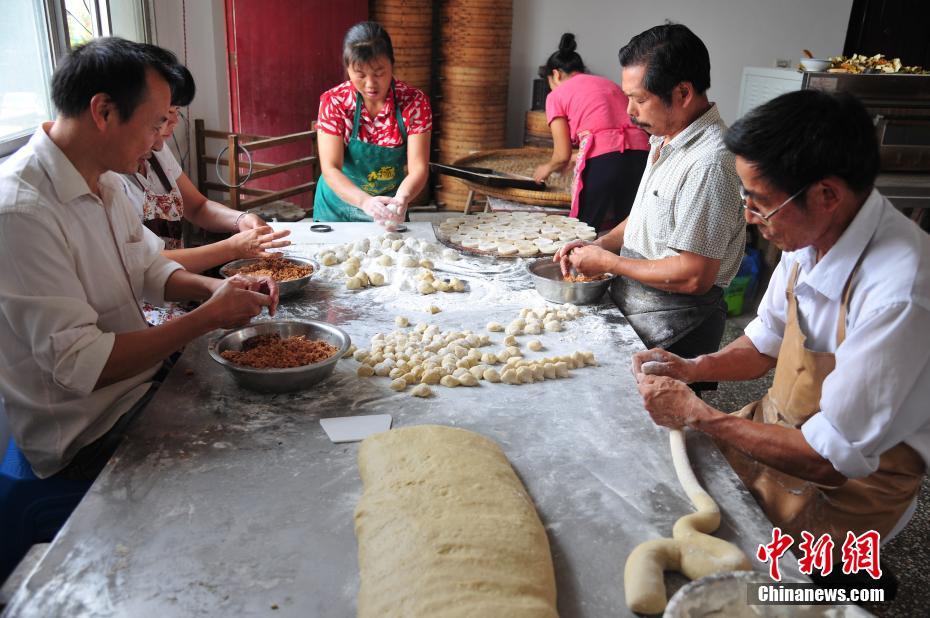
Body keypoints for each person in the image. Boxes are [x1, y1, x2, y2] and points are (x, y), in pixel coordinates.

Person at [632, 90, 929, 557]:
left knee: (754, 592)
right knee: (664, 499)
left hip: (853, 484)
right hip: (778, 427)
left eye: (759, 201)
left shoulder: (899, 294)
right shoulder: (808, 239)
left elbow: (830, 461)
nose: (750, 218)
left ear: (827, 194)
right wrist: (692, 368)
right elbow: (761, 345)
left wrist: (699, 414)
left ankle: (842, 583)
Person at [0, 37, 279, 480]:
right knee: (257, 460)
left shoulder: (104, 179)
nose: (157, 143)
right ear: (104, 111)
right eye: (154, 125)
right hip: (91, 429)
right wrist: (207, 316)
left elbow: (149, 267)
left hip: (142, 384)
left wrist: (218, 289)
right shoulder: (20, 211)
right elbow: (81, 365)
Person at [554, 24, 745, 390]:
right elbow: (644, 216)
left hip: (678, 327)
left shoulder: (709, 162)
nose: (628, 111)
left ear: (683, 92)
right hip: (641, 310)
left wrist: (608, 264)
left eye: (639, 99)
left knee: (660, 437)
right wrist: (600, 244)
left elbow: (694, 275)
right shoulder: (665, 139)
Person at [123, 61, 290, 323]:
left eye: (176, 111)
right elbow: (146, 264)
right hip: (144, 310)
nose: (175, 121)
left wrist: (240, 220)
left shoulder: (157, 152)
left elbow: (198, 207)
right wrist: (232, 248)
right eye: (167, 114)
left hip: (179, 289)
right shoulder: (110, 177)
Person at [314, 21, 431, 227]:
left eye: (379, 73)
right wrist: (365, 202)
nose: (370, 84)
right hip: (336, 207)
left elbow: (418, 168)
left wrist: (402, 198)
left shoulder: (414, 102)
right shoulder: (334, 102)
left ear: (392, 64)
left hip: (389, 206)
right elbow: (331, 168)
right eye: (360, 74)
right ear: (347, 68)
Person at [533, 33, 649, 231]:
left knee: (583, 230)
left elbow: (562, 155)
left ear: (556, 75)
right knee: (628, 231)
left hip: (604, 160)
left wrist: (547, 168)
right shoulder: (608, 84)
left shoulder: (556, 95)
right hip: (642, 153)